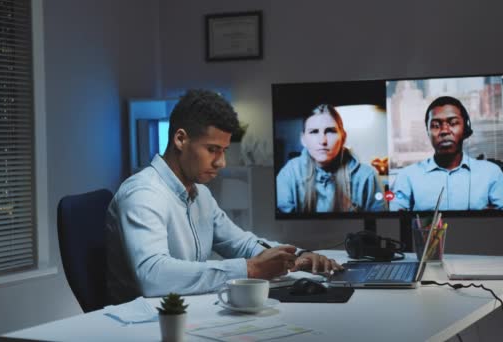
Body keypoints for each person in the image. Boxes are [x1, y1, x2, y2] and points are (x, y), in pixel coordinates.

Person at [106, 90, 342, 304]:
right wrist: (249, 269)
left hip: (186, 311)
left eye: (224, 150)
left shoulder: (200, 194)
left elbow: (241, 243)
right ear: (180, 139)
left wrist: (298, 255)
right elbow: (154, 276)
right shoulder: (143, 194)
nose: (221, 163)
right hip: (146, 325)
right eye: (212, 149)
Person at [390, 96, 503, 211]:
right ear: (427, 132)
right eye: (436, 125)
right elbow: (397, 219)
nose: (445, 131)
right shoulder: (407, 176)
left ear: (465, 129)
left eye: (453, 123)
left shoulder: (491, 173)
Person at [276, 104, 383, 213]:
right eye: (314, 131)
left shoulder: (367, 177)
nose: (322, 141)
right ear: (303, 139)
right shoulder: (289, 174)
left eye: (330, 131)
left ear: (343, 137)